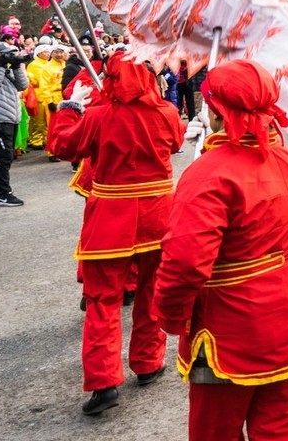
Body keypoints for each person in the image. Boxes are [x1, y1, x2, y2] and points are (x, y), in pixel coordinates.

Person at [153, 60, 288, 441]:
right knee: (282, 426)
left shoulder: (209, 173)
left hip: (230, 323)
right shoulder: (285, 158)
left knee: (215, 430)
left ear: (214, 111)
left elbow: (184, 263)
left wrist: (171, 316)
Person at [47, 56, 186, 415]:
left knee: (102, 301)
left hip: (111, 218)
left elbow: (63, 146)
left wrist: (68, 109)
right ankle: (148, 361)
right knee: (151, 290)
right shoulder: (167, 112)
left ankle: (104, 381)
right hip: (158, 216)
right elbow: (175, 143)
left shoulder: (97, 115)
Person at [0, 41, 29, 206]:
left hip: (11, 117)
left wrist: (16, 66)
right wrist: (1, 65)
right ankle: (4, 193)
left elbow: (23, 85)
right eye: (5, 54)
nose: (8, 57)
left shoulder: (7, 69)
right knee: (3, 156)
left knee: (6, 156)